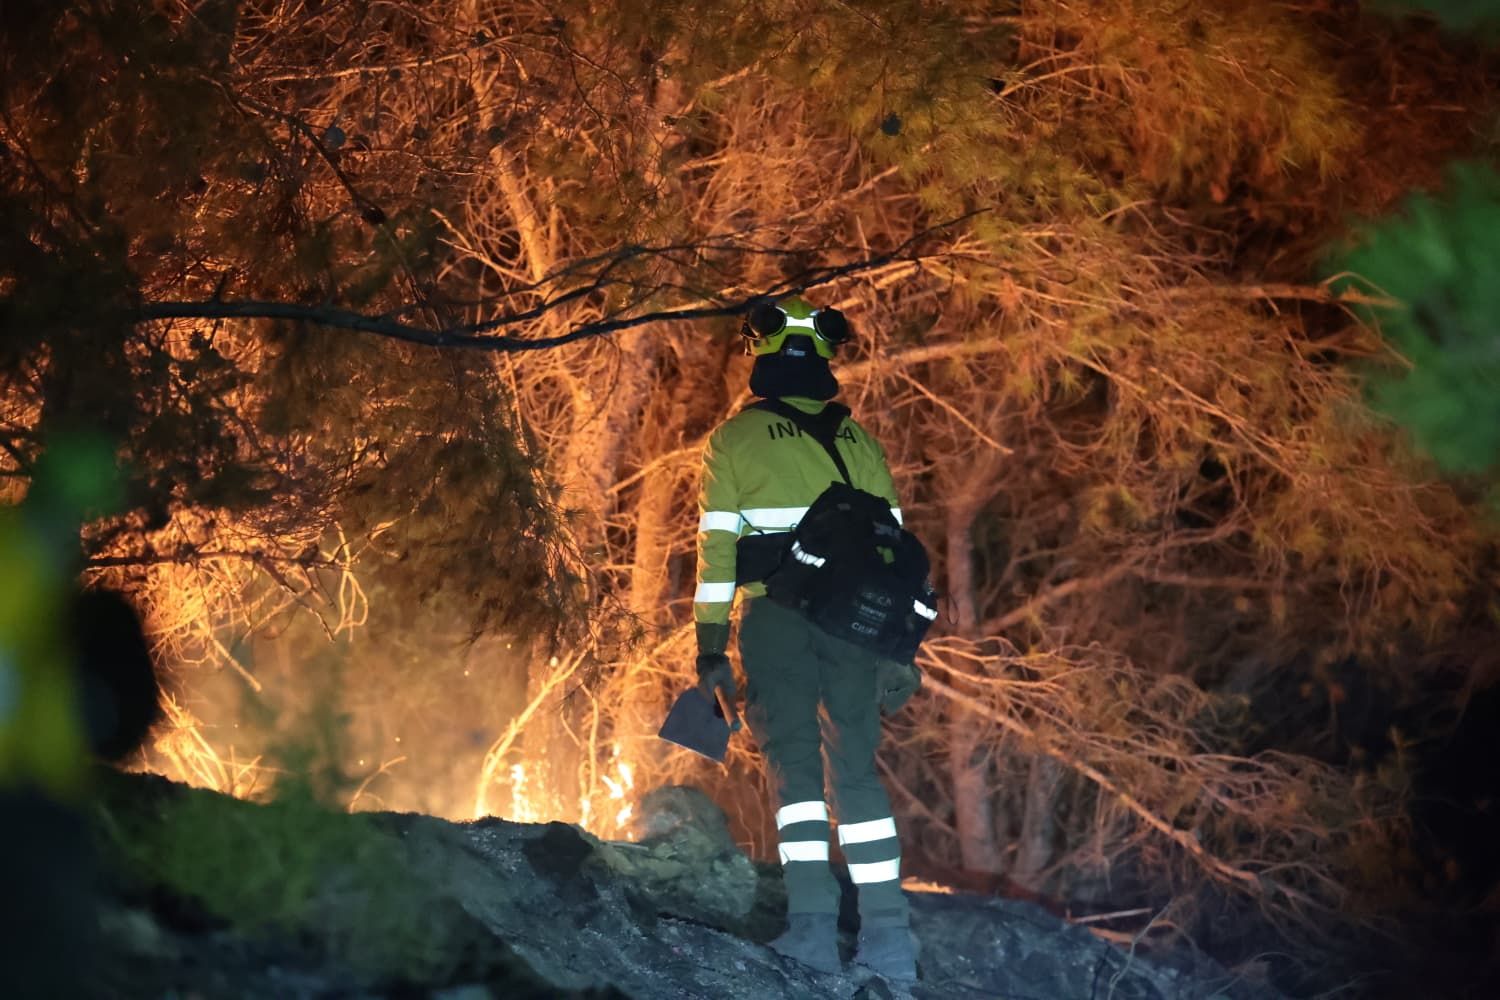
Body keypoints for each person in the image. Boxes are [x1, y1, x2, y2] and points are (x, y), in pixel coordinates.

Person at [693, 295, 923, 981]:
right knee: (856, 775)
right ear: (826, 357)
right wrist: (897, 648)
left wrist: (708, 650)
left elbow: (716, 558)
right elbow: (897, 552)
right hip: (857, 629)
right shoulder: (862, 441)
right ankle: (890, 944)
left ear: (758, 353)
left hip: (779, 621)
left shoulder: (733, 441)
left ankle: (814, 936)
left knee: (797, 775)